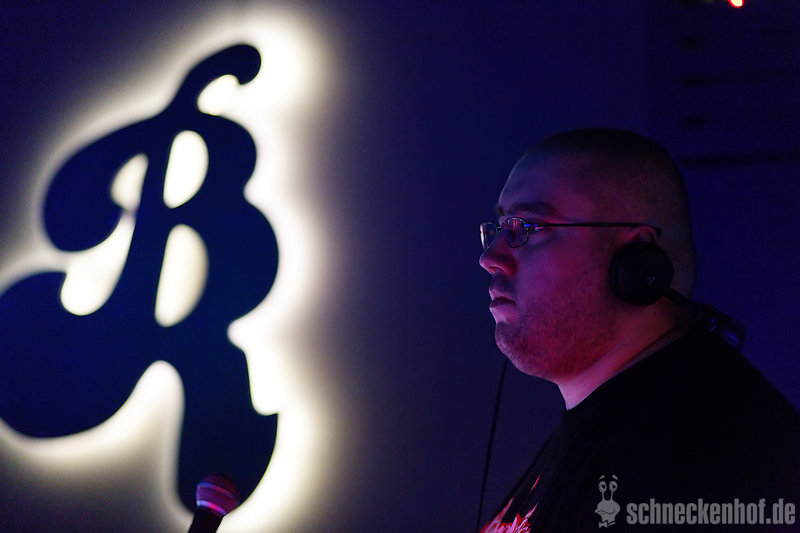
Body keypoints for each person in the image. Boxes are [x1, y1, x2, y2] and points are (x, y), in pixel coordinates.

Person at [478, 128, 800, 532]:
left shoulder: (701, 453)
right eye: (500, 227)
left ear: (636, 261)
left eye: (529, 226)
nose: (491, 257)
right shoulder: (610, 424)